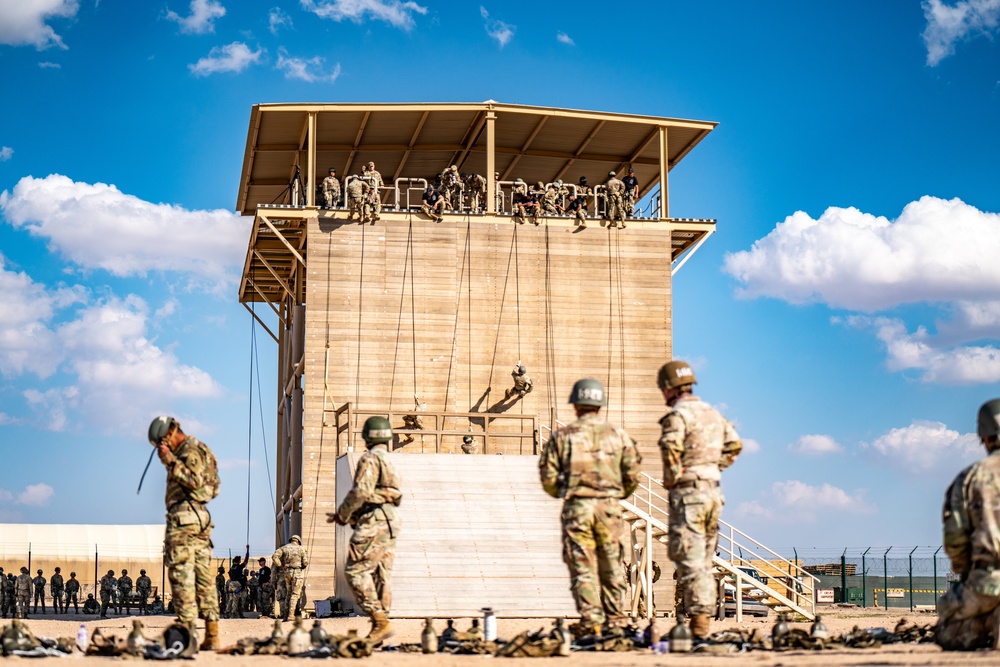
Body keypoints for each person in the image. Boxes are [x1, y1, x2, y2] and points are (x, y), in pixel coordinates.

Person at [538, 378, 641, 637]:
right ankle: (616, 620)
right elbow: (632, 476)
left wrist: (565, 492)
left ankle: (592, 620)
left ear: (575, 405)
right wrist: (615, 495)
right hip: (609, 508)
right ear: (600, 404)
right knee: (612, 565)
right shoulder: (619, 436)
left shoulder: (561, 437)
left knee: (582, 567)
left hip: (578, 508)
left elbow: (548, 480)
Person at [656, 360, 742, 639]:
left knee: (690, 557)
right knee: (705, 558)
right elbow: (734, 445)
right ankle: (701, 621)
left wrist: (673, 478)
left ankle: (700, 625)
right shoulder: (712, 413)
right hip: (713, 492)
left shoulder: (678, 416)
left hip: (689, 494)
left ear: (668, 388)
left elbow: (670, 448)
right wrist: (712, 468)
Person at [148, 414, 221, 653]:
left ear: (167, 435)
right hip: (200, 517)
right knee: (203, 577)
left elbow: (194, 480)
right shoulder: (202, 449)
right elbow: (214, 486)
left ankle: (187, 633)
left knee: (181, 574)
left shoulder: (188, 451)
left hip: (184, 518)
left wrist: (169, 460)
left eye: (161, 443)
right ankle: (212, 633)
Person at [328, 416, 403, 645]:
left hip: (374, 519)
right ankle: (380, 626)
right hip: (390, 519)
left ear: (367, 437)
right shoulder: (389, 461)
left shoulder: (369, 459)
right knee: (382, 574)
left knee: (355, 570)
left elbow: (361, 491)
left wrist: (343, 514)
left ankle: (380, 622)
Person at [936, 398, 1000, 650]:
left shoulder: (970, 478)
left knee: (947, 616)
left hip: (989, 581)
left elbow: (955, 541)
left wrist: (966, 574)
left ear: (983, 435)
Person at [272, 535, 309, 620]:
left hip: (287, 573)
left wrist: (281, 566)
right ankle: (291, 615)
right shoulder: (301, 549)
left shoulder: (284, 548)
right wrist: (301, 567)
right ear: (298, 541)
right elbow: (305, 562)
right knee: (295, 594)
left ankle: (285, 615)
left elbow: (274, 557)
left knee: (288, 593)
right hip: (297, 573)